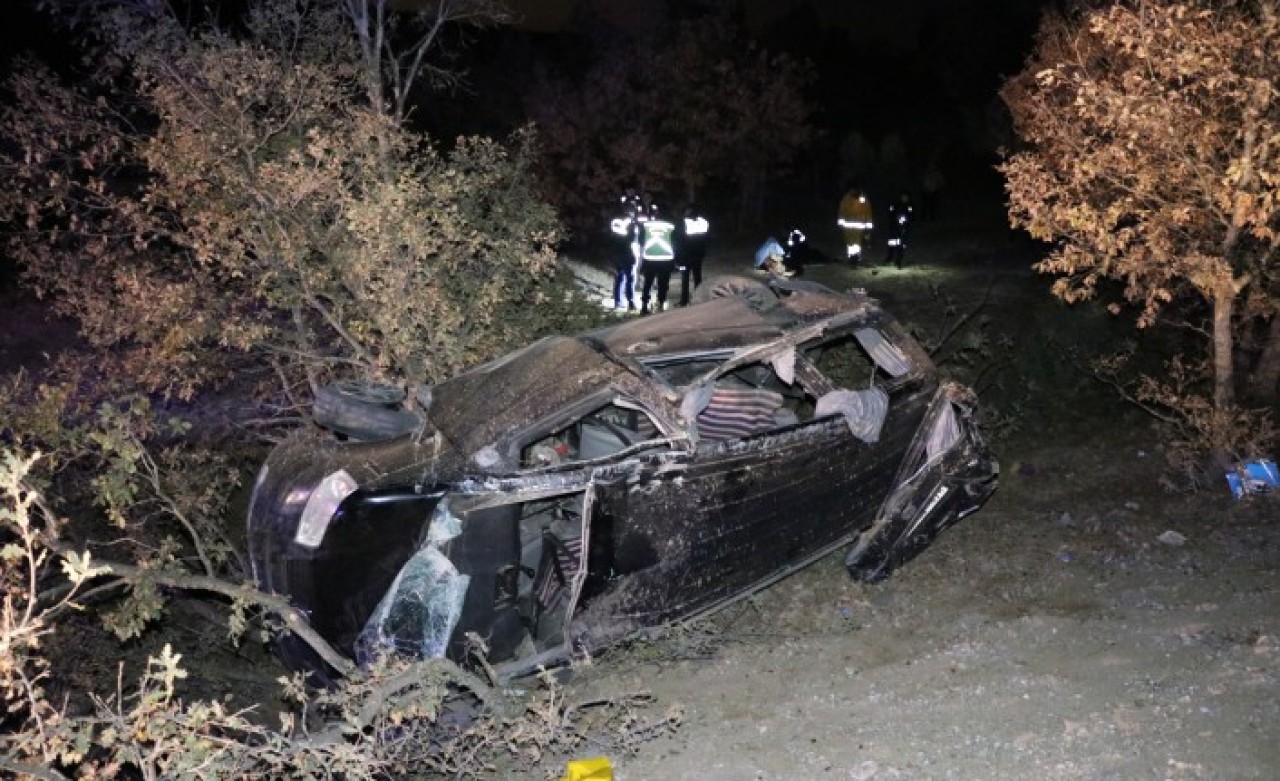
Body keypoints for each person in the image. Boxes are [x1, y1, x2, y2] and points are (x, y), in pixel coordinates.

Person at [639, 203, 677, 314]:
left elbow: (641, 241)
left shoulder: (646, 225)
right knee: (663, 284)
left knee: (648, 283)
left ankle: (644, 306)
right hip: (666, 259)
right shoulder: (671, 226)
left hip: (649, 258)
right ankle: (660, 304)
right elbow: (676, 242)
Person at [608, 193, 641, 310]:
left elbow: (611, 236)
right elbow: (632, 238)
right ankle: (631, 302)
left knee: (620, 277)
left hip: (616, 252)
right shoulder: (631, 222)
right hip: (627, 252)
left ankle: (618, 301)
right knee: (630, 278)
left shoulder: (614, 220)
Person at [677, 203, 709, 306]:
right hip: (698, 254)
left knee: (685, 278)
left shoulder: (684, 222)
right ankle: (698, 298)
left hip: (686, 255)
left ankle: (684, 300)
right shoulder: (704, 222)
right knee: (697, 276)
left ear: (688, 211)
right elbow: (707, 238)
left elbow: (680, 241)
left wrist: (678, 257)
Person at [837, 185, 874, 262]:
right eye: (851, 190)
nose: (853, 191)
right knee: (850, 243)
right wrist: (841, 222)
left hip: (859, 226)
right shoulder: (846, 199)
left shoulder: (862, 199)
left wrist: (868, 224)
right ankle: (851, 258)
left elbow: (867, 211)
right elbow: (842, 211)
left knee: (857, 243)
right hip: (848, 226)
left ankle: (856, 258)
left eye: (854, 189)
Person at [885, 191, 913, 268]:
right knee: (892, 244)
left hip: (904, 229)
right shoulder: (895, 205)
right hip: (894, 228)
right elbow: (890, 215)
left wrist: (906, 226)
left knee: (901, 245)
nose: (905, 199)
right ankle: (889, 258)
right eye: (903, 197)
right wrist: (893, 224)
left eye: (906, 197)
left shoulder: (909, 206)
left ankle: (899, 261)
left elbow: (911, 218)